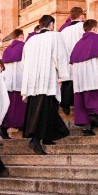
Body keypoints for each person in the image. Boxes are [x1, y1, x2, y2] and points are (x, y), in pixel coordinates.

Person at [21, 15, 71, 154]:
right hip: (47, 78)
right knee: (44, 109)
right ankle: (35, 139)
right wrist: (64, 76)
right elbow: (60, 56)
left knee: (45, 108)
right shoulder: (55, 36)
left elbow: (24, 62)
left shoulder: (30, 41)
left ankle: (48, 136)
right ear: (51, 24)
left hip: (32, 81)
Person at [71, 20, 98, 136]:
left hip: (80, 79)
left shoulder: (78, 43)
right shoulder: (97, 38)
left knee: (83, 102)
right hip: (95, 75)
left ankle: (86, 128)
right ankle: (96, 115)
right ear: (94, 28)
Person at [0, 29, 27, 139]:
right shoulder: (24, 47)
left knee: (9, 107)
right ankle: (23, 127)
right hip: (20, 82)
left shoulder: (7, 50)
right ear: (21, 36)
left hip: (8, 83)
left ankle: (4, 128)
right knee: (21, 107)